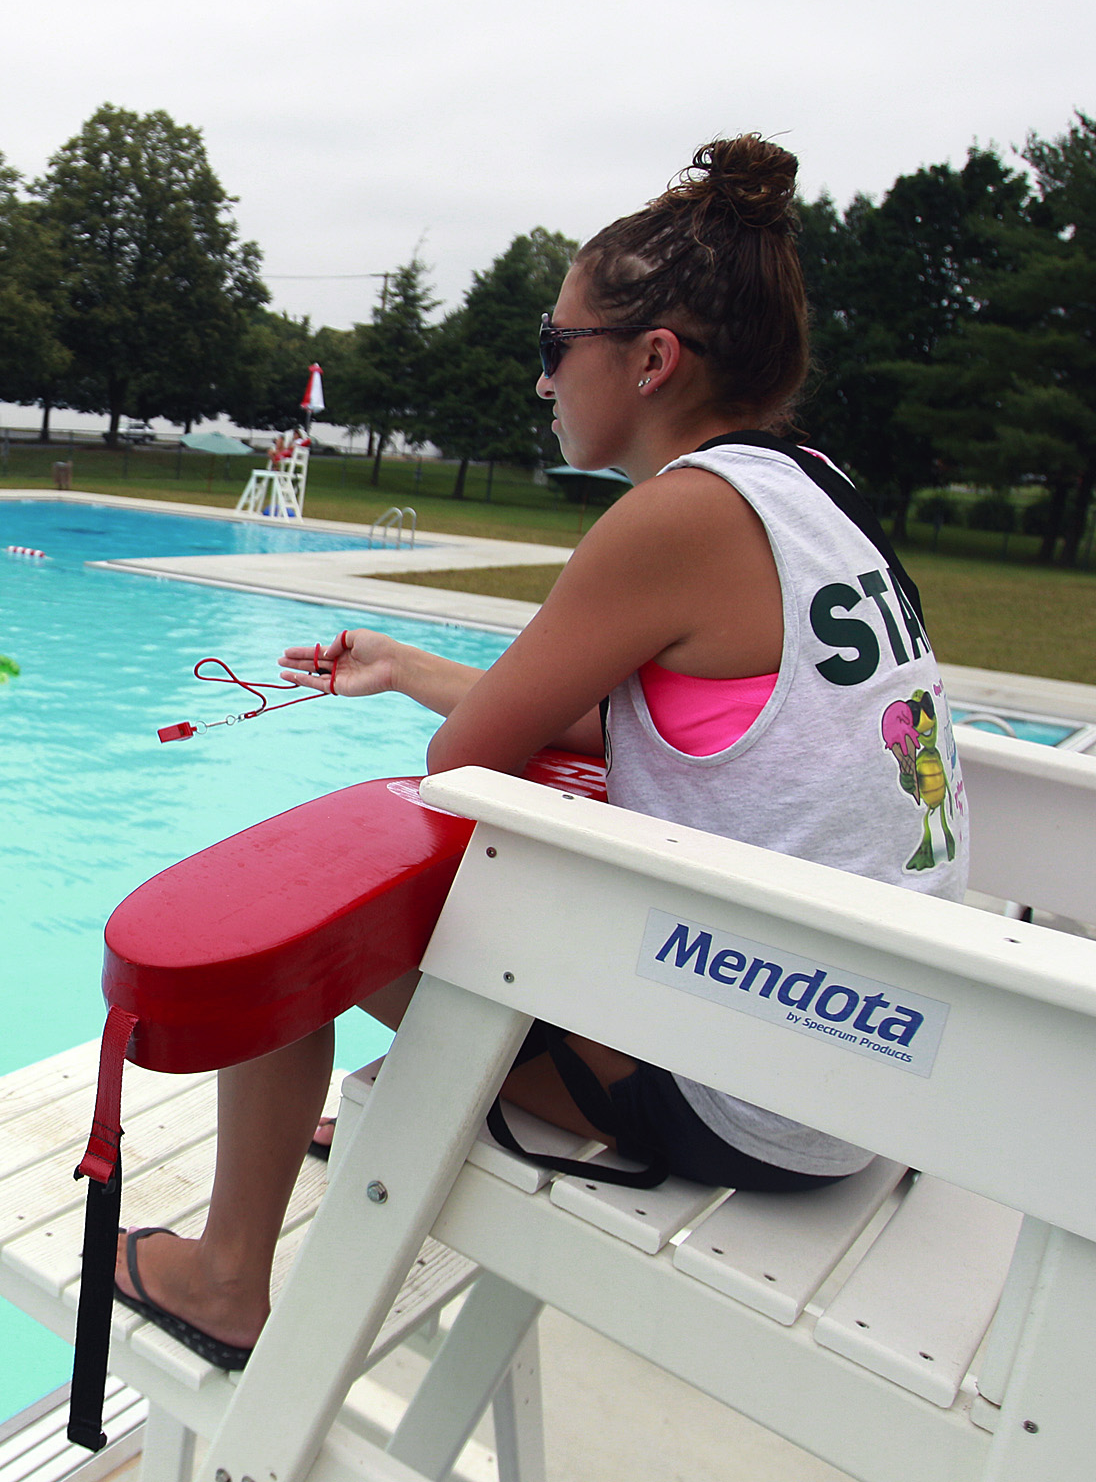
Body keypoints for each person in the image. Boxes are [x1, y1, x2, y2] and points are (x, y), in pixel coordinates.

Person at [111, 134, 970, 1372]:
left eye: (553, 348)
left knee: (302, 932)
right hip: (886, 1056)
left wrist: (440, 708)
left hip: (768, 1098)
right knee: (500, 897)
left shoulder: (673, 514)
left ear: (651, 359)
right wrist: (405, 666)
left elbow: (468, 760)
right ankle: (380, 1119)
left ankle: (225, 1277)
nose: (542, 382)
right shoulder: (809, 491)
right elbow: (655, 723)